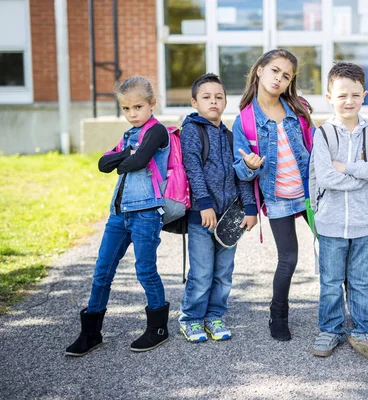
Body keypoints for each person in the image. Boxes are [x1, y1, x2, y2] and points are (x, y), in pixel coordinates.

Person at [66, 76, 170, 356]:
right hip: (118, 214)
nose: (132, 114)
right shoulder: (128, 136)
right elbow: (103, 164)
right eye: (126, 109)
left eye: (137, 107)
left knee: (145, 271)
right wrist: (127, 152)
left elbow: (137, 162)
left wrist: (125, 158)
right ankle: (91, 333)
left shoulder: (157, 131)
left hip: (146, 213)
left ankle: (158, 329)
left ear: (151, 104)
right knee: (102, 271)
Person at [311, 62, 368, 360]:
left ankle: (364, 331)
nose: (349, 101)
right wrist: (362, 175)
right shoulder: (323, 135)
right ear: (329, 96)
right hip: (331, 223)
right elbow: (326, 177)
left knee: (362, 282)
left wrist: (347, 168)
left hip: (364, 223)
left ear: (364, 95)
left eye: (355, 95)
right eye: (342, 95)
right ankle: (330, 329)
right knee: (331, 283)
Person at [232, 49, 313, 341]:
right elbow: (240, 172)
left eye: (286, 75)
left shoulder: (299, 109)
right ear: (259, 70)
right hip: (278, 198)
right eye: (274, 71)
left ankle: (340, 312)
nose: (279, 78)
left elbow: (314, 150)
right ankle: (278, 316)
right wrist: (250, 167)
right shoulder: (244, 121)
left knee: (333, 250)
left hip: (309, 195)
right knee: (288, 260)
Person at [178, 73, 257, 342]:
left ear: (225, 102)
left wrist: (250, 207)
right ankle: (191, 319)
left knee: (224, 272)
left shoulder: (231, 135)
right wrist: (205, 205)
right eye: (206, 97)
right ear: (194, 102)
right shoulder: (192, 129)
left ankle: (214, 316)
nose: (213, 101)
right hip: (203, 216)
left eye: (219, 97)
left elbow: (240, 173)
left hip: (229, 217)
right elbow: (193, 168)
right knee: (201, 272)